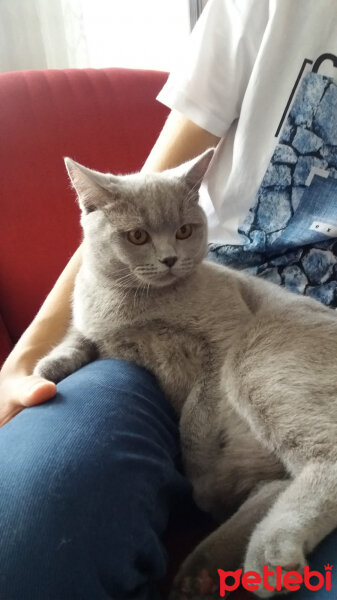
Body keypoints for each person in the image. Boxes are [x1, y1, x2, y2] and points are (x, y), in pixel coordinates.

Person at [0, 0, 336, 598]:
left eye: (181, 234)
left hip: (294, 344)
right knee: (26, 533)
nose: (167, 251)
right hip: (178, 343)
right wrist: (29, 355)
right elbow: (144, 191)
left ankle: (306, 484)